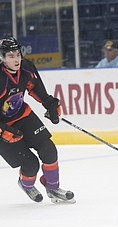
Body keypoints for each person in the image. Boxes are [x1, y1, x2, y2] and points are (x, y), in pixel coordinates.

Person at [0, 37, 75, 203]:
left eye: (18, 54)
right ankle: (26, 185)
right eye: (11, 56)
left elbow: (37, 89)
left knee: (49, 149)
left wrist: (51, 105)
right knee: (30, 163)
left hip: (23, 116)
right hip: (3, 127)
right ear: (2, 58)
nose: (16, 59)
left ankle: (53, 188)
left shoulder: (26, 68)